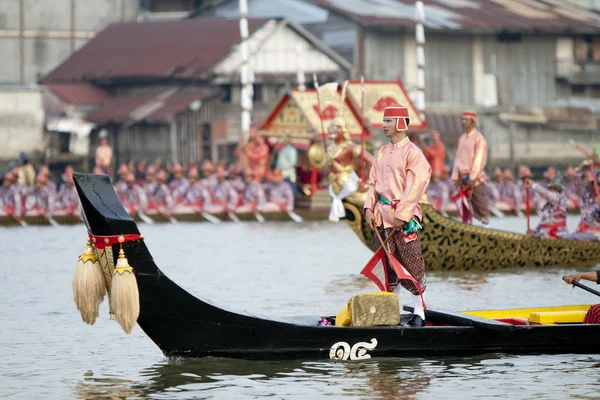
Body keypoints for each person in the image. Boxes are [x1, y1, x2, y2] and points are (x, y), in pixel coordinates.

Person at [364, 105, 432, 327]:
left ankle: (419, 311)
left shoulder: (413, 153)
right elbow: (372, 182)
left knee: (410, 262)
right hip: (381, 216)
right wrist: (367, 208)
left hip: (403, 219)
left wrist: (403, 213)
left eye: (389, 121)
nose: (384, 125)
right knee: (387, 263)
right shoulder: (383, 151)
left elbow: (415, 186)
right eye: (384, 121)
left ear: (401, 123)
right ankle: (390, 310)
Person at [326, 117, 374, 222]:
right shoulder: (330, 148)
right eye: (332, 126)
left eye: (337, 127)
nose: (333, 129)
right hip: (334, 186)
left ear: (344, 130)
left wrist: (368, 181)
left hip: (349, 185)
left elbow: (371, 161)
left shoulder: (351, 147)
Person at [451, 111, 489, 226]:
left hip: (475, 177)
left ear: (473, 121)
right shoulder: (462, 138)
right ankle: (467, 227)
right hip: (463, 176)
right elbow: (458, 158)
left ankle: (486, 227)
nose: (463, 122)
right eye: (462, 119)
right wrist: (455, 176)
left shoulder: (479, 138)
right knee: (464, 205)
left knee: (479, 202)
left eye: (466, 119)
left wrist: (472, 177)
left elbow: (479, 158)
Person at [563, 171, 600, 241]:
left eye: (598, 185)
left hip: (596, 233)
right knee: (564, 237)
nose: (596, 187)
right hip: (584, 231)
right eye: (594, 184)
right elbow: (577, 182)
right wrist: (582, 167)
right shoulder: (586, 196)